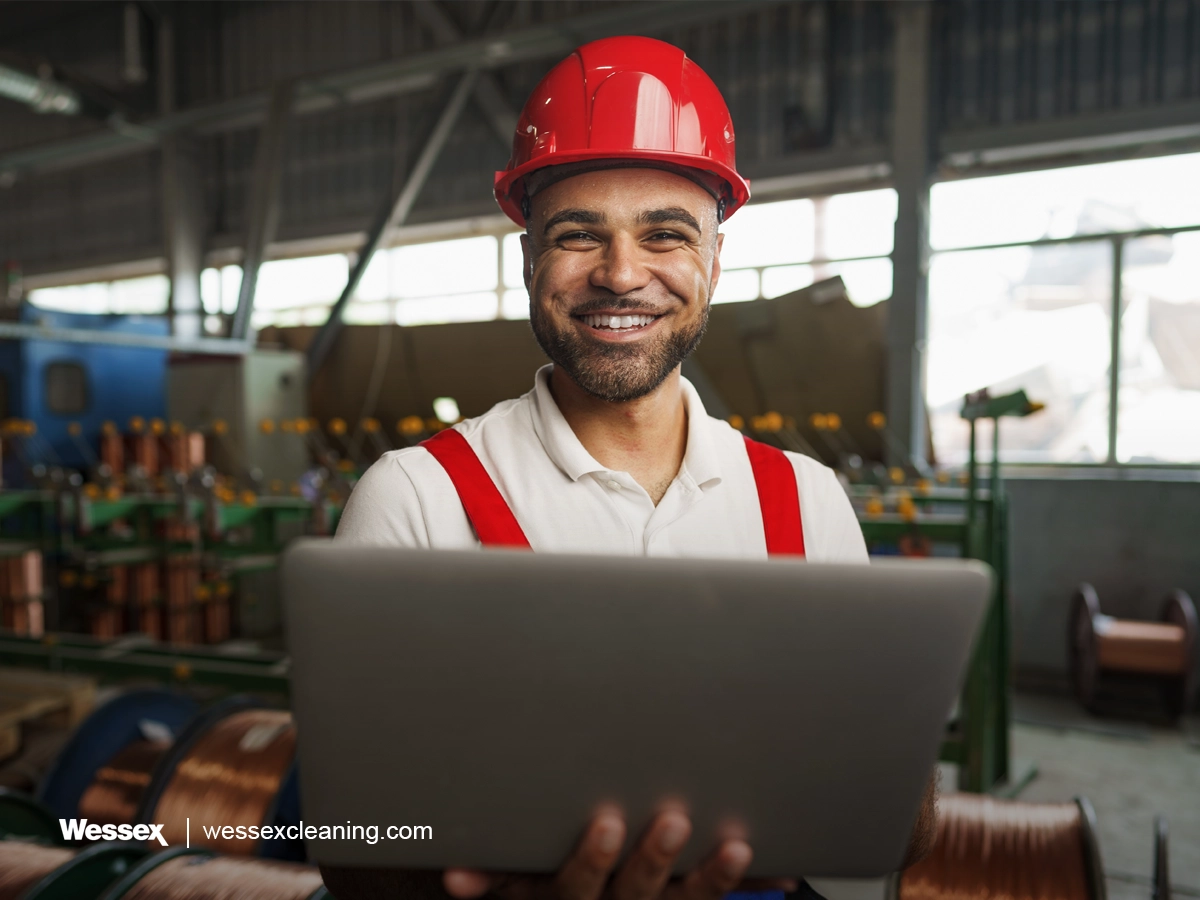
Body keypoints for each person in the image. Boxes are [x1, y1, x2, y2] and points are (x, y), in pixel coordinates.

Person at [326, 35, 937, 900]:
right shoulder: (418, 500)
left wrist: (897, 760)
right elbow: (353, 846)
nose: (621, 274)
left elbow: (892, 831)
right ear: (530, 260)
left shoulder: (802, 501)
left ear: (713, 265)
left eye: (666, 235)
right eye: (579, 235)